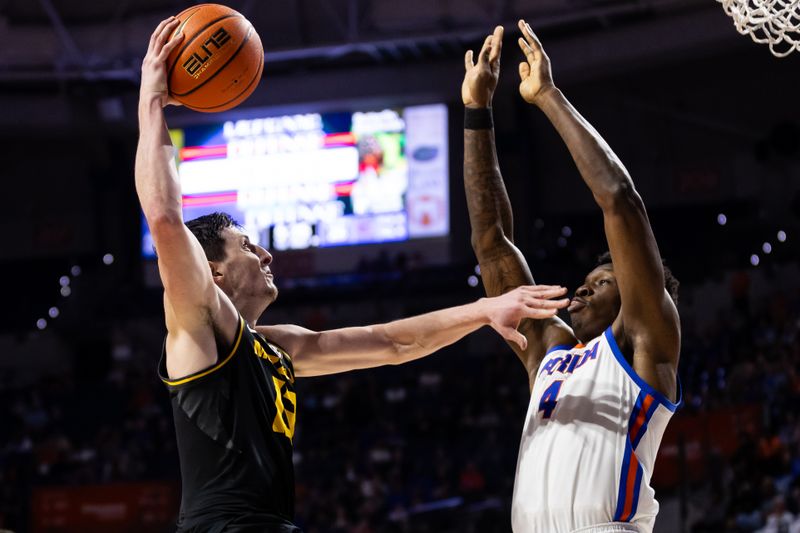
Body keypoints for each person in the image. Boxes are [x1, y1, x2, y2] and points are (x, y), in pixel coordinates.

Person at [136, 17, 569, 533]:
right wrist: (152, 103)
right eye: (248, 247)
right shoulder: (198, 326)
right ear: (213, 273)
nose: (267, 255)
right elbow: (164, 218)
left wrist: (482, 310)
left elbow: (391, 344)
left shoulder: (277, 349)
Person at [461, 22, 682, 533]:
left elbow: (620, 203)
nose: (581, 288)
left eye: (602, 282)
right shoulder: (549, 354)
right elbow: (491, 242)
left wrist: (548, 97)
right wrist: (477, 112)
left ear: (636, 297)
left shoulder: (645, 344)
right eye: (586, 280)